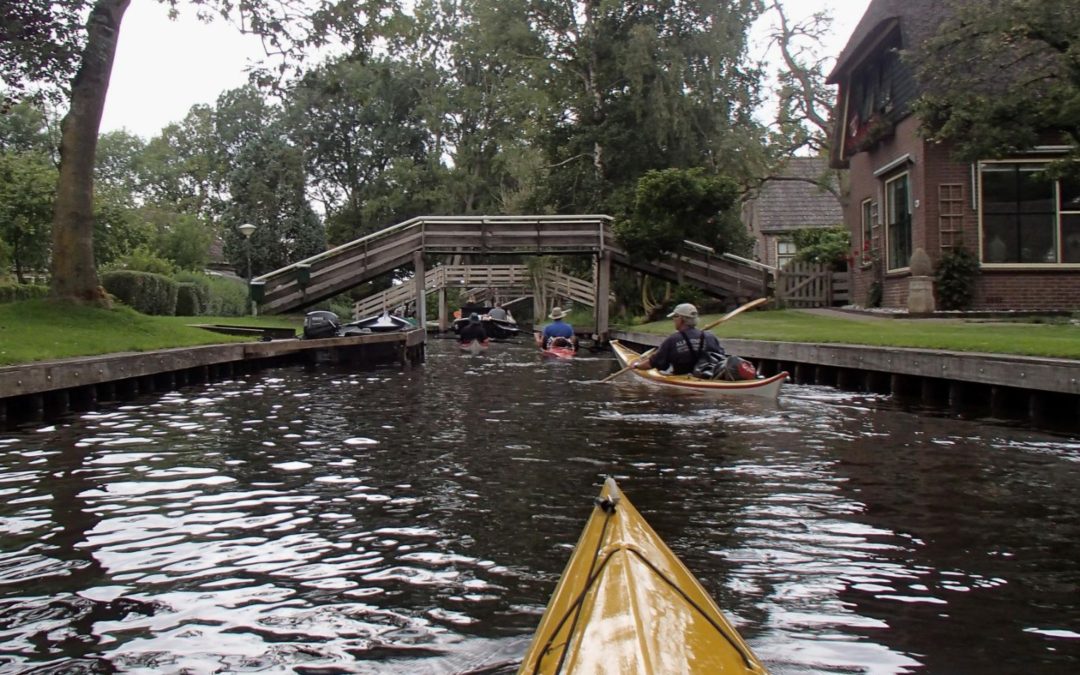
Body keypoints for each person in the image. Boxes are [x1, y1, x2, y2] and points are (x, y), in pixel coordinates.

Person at [633, 303, 721, 375]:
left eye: (675, 317)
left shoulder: (672, 340)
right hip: (706, 376)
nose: (673, 320)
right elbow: (720, 357)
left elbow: (651, 364)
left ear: (681, 319)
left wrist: (636, 365)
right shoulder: (710, 336)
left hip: (682, 378)